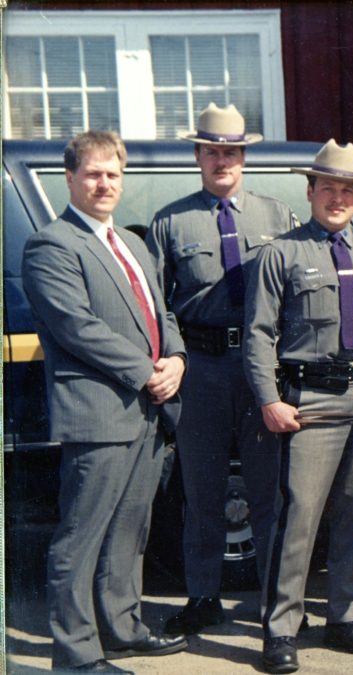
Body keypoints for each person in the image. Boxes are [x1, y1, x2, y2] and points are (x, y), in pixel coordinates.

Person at [242, 140, 353, 673]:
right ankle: (281, 628)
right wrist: (269, 400)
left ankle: (345, 616)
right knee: (298, 516)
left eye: (348, 190)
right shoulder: (282, 254)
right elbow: (258, 335)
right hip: (310, 401)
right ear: (311, 191)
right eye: (329, 189)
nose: (339, 199)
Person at [22, 131, 188, 672]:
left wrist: (178, 360)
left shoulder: (135, 245)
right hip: (99, 413)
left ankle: (122, 628)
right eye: (93, 174)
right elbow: (78, 327)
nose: (104, 183)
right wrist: (147, 372)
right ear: (69, 178)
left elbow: (162, 314)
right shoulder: (52, 245)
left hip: (147, 413)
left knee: (129, 531)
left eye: (113, 174)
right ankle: (74, 654)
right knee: (81, 536)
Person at [146, 102, 297, 635]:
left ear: (244, 157)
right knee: (203, 492)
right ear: (198, 156)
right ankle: (203, 597)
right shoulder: (170, 221)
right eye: (212, 152)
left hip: (260, 369)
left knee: (267, 493)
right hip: (203, 369)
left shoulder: (277, 216)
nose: (222, 161)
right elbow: (158, 302)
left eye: (231, 151)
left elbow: (294, 295)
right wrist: (176, 355)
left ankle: (275, 608)